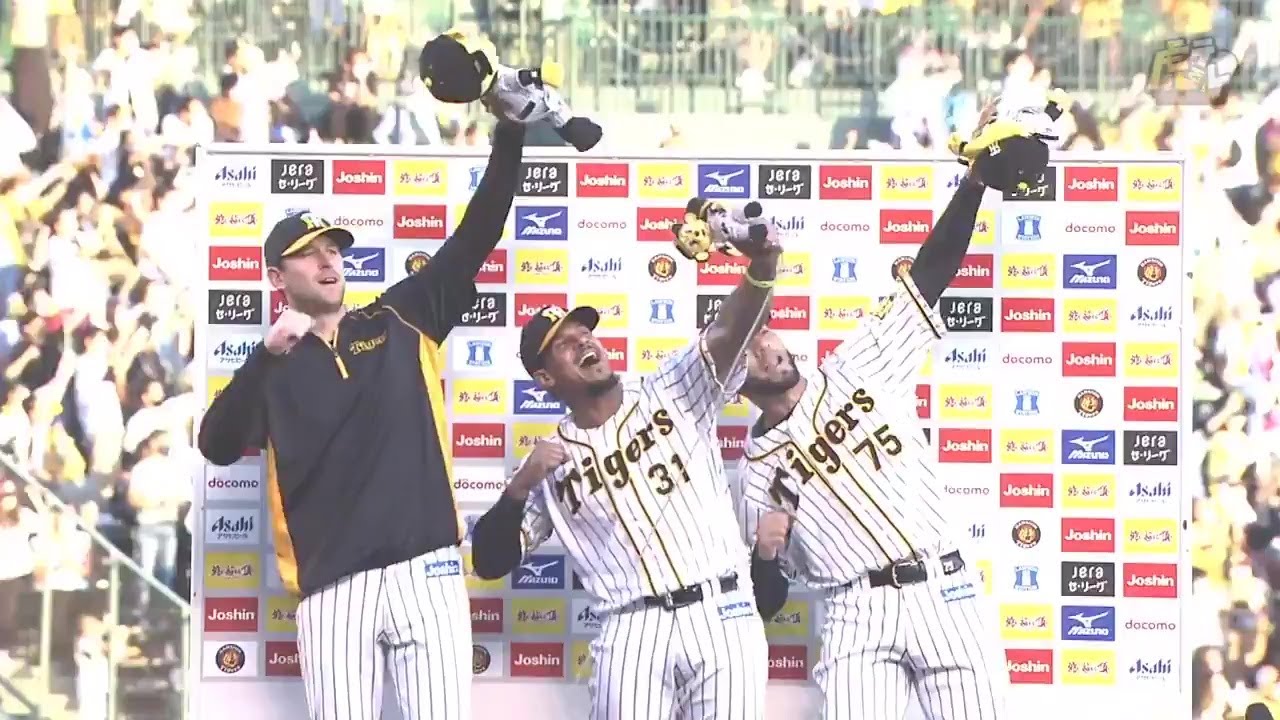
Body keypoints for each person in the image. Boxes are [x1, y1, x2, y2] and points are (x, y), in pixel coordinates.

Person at [196, 119, 527, 720]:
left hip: (427, 572)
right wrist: (265, 356)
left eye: (333, 249)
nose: (328, 260)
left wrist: (510, 133)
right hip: (333, 591)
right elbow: (216, 445)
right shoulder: (269, 368)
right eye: (308, 253)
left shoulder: (400, 317)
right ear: (276, 279)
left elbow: (477, 234)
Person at [470, 204, 782, 720]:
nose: (584, 342)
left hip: (722, 613)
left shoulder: (671, 386)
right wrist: (519, 487)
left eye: (585, 333)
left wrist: (763, 266)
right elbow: (489, 561)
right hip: (632, 629)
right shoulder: (550, 462)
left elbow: (730, 331)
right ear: (545, 378)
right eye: (565, 345)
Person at [736, 161, 1009, 719]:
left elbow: (929, 275)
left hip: (944, 588)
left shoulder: (859, 363)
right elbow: (767, 600)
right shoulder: (757, 473)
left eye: (765, 332)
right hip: (855, 611)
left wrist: (975, 181)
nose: (767, 348)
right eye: (748, 349)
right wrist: (764, 555)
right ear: (731, 379)